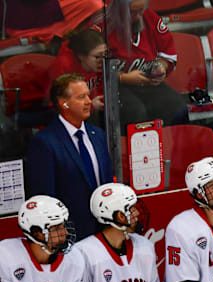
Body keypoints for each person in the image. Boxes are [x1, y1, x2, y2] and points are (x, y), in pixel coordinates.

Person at [26, 73, 114, 240]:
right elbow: (45, 198)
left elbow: (107, 183)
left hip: (104, 235)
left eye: (88, 95)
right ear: (64, 103)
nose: (89, 101)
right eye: (81, 97)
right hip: (70, 238)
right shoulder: (45, 143)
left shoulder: (98, 135)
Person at [102, 0, 188, 128]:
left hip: (145, 81)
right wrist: (122, 78)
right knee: (135, 112)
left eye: (141, 10)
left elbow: (168, 52)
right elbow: (91, 69)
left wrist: (161, 67)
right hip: (113, 86)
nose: (138, 16)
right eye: (132, 12)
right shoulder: (101, 25)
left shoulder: (150, 17)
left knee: (178, 108)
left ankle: (173, 146)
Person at [49, 29, 106, 119]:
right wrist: (90, 106)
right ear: (81, 56)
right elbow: (59, 105)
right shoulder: (63, 65)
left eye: (105, 54)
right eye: (97, 56)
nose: (102, 61)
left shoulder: (95, 66)